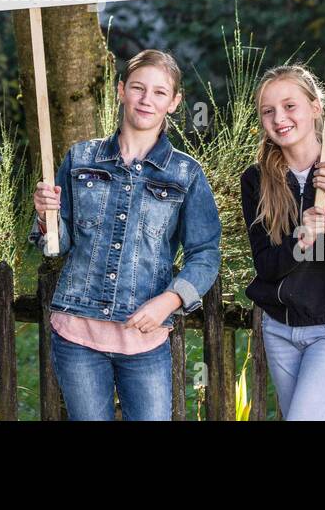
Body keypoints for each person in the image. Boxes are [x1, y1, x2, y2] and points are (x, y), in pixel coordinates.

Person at [30, 49, 221, 421]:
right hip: (77, 333)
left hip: (145, 340)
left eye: (160, 92)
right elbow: (56, 248)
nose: (147, 99)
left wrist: (169, 301)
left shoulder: (185, 174)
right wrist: (45, 216)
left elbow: (205, 253)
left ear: (174, 102)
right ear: (121, 90)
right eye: (138, 88)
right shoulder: (80, 158)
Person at [239, 64, 325, 420]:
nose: (279, 118)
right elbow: (267, 267)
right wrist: (301, 239)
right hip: (280, 328)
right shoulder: (256, 179)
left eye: (289, 106)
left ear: (315, 107)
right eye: (268, 111)